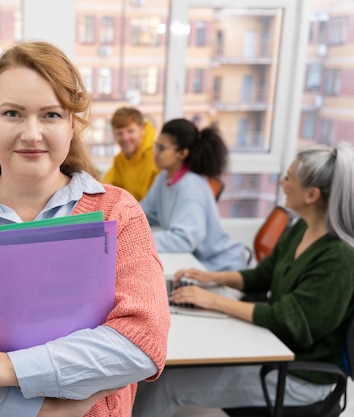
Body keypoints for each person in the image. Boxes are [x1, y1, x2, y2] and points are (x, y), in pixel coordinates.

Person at [0, 41, 170, 417]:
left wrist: (6, 369)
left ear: (73, 125)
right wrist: (42, 411)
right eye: (13, 113)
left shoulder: (117, 212)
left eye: (51, 115)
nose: (32, 133)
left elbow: (143, 341)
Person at [133, 143, 354, 417]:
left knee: (167, 385)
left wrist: (213, 300)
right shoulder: (302, 228)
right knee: (155, 372)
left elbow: (291, 321)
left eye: (288, 178)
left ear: (312, 194)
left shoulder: (339, 258)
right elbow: (263, 276)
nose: (282, 184)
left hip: (301, 376)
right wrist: (213, 277)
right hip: (275, 350)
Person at [140, 118, 246, 272]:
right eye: (156, 146)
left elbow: (184, 239)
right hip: (195, 263)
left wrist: (135, 240)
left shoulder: (191, 187)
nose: (155, 153)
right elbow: (143, 214)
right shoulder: (163, 178)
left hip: (220, 268)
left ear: (182, 153)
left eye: (161, 148)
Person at [103, 107, 159, 201]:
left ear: (142, 130)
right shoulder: (120, 160)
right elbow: (109, 185)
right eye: (120, 133)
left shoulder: (156, 158)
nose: (125, 138)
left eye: (130, 131)